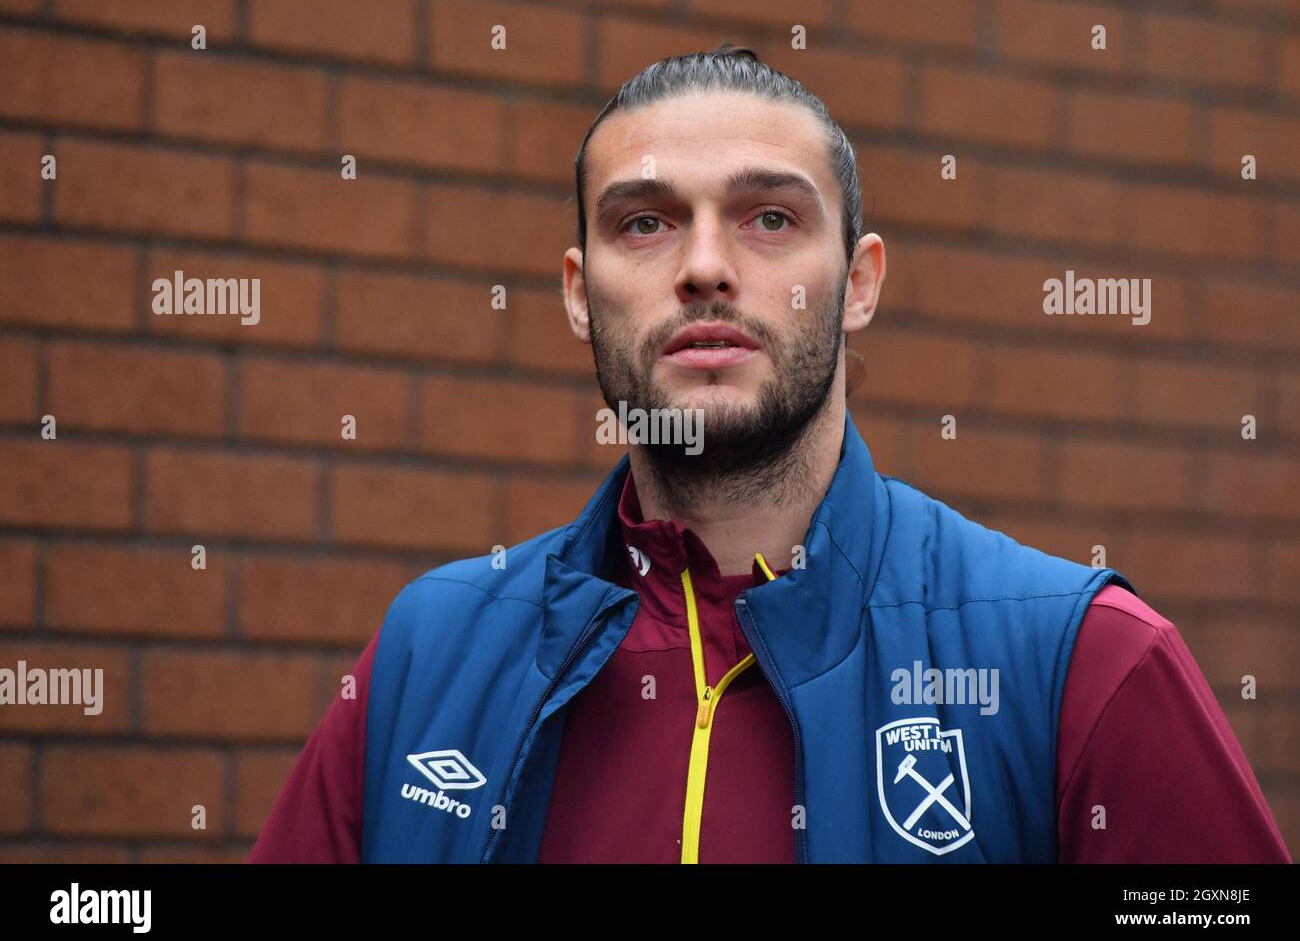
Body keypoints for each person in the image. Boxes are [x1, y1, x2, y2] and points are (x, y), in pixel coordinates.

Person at [250, 45, 1289, 864]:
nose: (706, 267)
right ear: (578, 290)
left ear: (858, 281)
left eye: (771, 217)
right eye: (646, 222)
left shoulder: (1083, 662)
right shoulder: (430, 653)